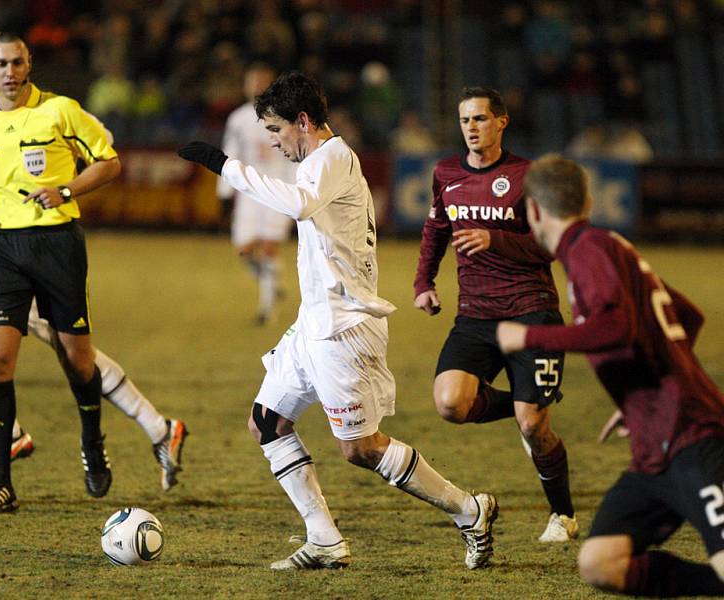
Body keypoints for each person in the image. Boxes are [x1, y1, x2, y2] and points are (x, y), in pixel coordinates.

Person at [178, 71, 498, 571]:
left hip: (346, 327)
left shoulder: (333, 158)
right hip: (314, 324)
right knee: (267, 422)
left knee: (362, 450)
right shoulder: (318, 163)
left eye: (277, 131)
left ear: (302, 121)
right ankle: (324, 538)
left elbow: (298, 204)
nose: (276, 143)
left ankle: (469, 509)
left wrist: (226, 167)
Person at [0, 31, 187, 494]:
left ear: (27, 65)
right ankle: (7, 464)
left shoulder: (57, 109)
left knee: (75, 357)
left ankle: (125, 434)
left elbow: (104, 155)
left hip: (54, 246)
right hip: (4, 248)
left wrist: (64, 187)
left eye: (9, 64)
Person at [497, 153, 724, 597]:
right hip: (654, 449)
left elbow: (616, 325)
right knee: (601, 562)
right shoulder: (608, 245)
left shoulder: (586, 250)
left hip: (693, 438)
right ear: (587, 200)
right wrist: (642, 390)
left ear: (536, 211)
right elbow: (687, 316)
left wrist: (530, 337)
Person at [413, 86, 577, 542]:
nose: (471, 128)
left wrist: (495, 238)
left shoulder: (528, 176)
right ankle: (532, 404)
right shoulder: (446, 173)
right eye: (465, 120)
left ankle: (563, 515)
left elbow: (550, 245)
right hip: (476, 315)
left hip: (532, 314)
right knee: (451, 404)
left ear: (501, 122)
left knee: (534, 429)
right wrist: (423, 283)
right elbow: (435, 231)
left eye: (480, 119)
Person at [216, 62, 295, 325]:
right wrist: (225, 190)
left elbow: (296, 155)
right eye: (253, 80)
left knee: (270, 247)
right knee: (245, 250)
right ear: (245, 85)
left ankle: (267, 310)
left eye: (263, 80)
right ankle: (271, 281)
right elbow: (231, 153)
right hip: (249, 191)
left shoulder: (285, 115)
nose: (258, 85)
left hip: (278, 189)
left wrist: (298, 192)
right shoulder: (238, 119)